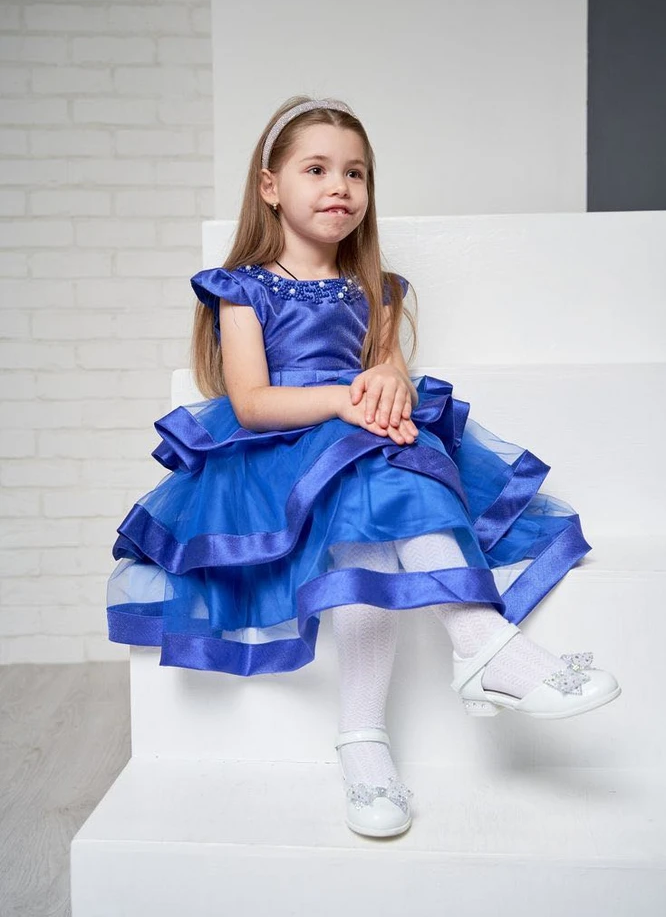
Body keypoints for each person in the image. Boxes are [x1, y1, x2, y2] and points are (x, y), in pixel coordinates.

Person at [107, 95, 621, 840]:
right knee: (367, 483)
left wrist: (385, 386)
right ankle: (483, 647)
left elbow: (388, 377)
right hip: (277, 452)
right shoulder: (242, 288)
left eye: (356, 173)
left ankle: (366, 736)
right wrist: (350, 401)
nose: (340, 186)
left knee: (395, 481)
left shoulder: (375, 289)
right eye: (316, 169)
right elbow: (251, 402)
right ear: (270, 186)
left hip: (363, 442)